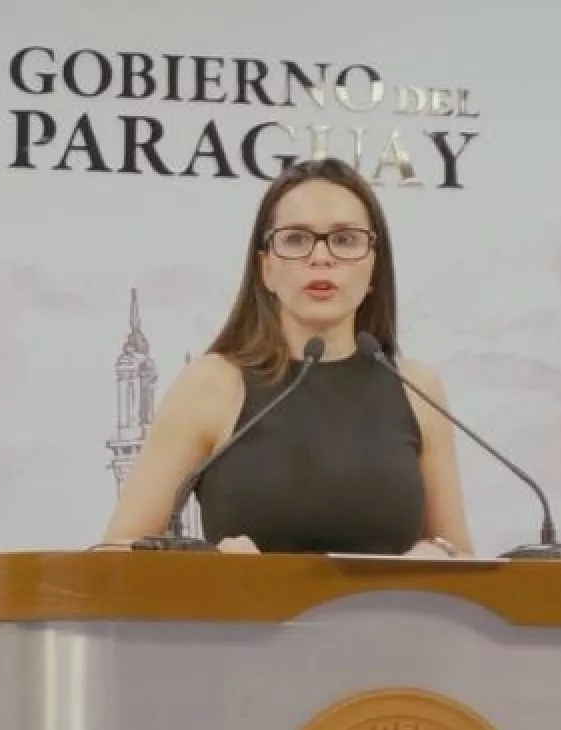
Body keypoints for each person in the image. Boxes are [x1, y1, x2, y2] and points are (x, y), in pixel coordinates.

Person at [100, 157, 473, 557]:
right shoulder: (212, 383)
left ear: (373, 267)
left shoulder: (417, 388)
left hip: (391, 603)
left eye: (345, 239)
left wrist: (442, 557)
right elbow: (112, 555)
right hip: (242, 600)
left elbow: (462, 555)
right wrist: (207, 566)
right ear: (266, 268)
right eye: (296, 240)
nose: (321, 257)